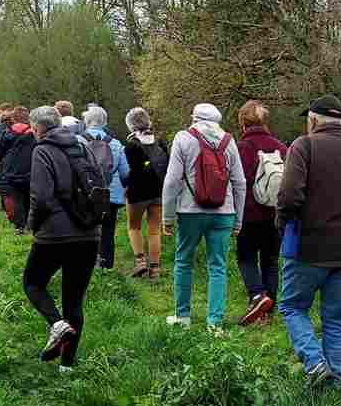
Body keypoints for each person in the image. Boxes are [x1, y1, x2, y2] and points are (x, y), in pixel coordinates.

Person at [276, 95, 341, 384]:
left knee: (293, 307)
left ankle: (316, 364)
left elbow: (289, 195)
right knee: (335, 317)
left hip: (307, 247)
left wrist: (282, 224)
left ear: (313, 120)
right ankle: (333, 380)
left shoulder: (303, 146)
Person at [26, 105, 101, 369]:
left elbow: (42, 198)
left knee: (33, 284)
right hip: (88, 233)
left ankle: (57, 325)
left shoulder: (42, 151)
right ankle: (67, 366)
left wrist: (32, 225)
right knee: (74, 300)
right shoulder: (83, 145)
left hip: (54, 236)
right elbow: (98, 183)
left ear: (37, 128)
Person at [161, 103, 247, 328]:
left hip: (190, 212)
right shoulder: (229, 141)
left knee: (183, 261)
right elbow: (240, 182)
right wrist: (239, 219)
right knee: (218, 266)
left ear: (194, 118)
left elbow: (171, 181)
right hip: (224, 212)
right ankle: (215, 323)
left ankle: (183, 317)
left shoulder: (183, 138)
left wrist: (167, 217)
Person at [235, 100, 288, 325]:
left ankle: (258, 296)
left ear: (243, 123)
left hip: (248, 214)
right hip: (274, 214)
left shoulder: (242, 147)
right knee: (271, 261)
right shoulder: (281, 147)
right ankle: (268, 311)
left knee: (246, 258)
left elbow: (237, 182)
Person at [82, 106, 131, 270]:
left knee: (86, 230)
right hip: (111, 194)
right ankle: (106, 265)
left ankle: (87, 264)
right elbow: (125, 173)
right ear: (105, 122)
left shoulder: (78, 141)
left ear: (86, 121)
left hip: (86, 194)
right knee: (108, 231)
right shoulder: (116, 143)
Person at [123, 107, 167, 278]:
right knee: (155, 230)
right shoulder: (160, 143)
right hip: (158, 191)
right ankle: (155, 268)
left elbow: (128, 172)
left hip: (137, 193)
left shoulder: (131, 146)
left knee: (134, 227)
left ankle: (140, 262)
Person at [0, 107, 38, 233]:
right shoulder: (35, 134)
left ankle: (19, 226)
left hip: (11, 172)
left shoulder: (7, 133)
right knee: (29, 197)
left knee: (16, 198)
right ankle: (30, 223)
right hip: (30, 171)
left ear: (13, 119)